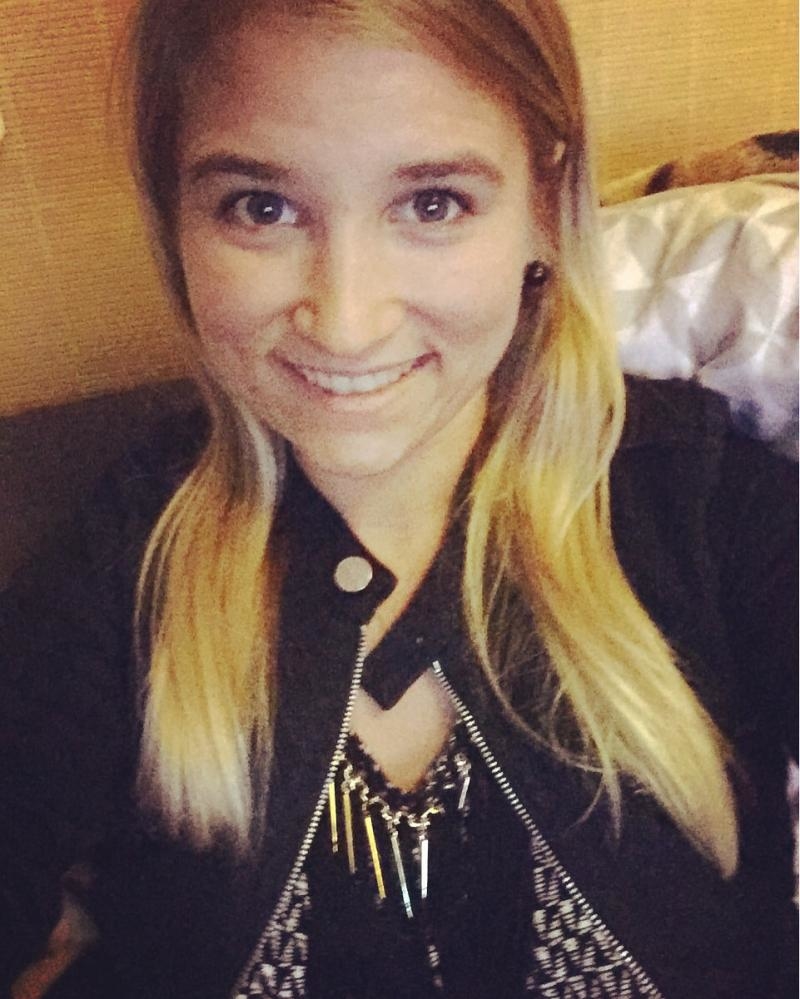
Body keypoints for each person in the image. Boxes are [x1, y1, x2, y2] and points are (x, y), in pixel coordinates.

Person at [1, 1, 796, 997]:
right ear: (177, 222)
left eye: (432, 203)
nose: (345, 321)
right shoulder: (127, 556)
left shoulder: (703, 502)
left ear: (544, 206)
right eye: (261, 207)